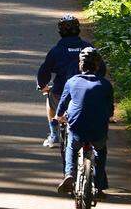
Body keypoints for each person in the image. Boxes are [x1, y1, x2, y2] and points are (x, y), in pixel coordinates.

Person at [55, 47, 113, 198]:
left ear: (80, 65)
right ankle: (99, 187)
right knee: (101, 152)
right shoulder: (106, 85)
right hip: (98, 129)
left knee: (71, 147)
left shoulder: (72, 81)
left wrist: (58, 117)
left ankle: (69, 174)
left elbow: (61, 106)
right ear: (97, 66)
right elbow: (110, 110)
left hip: (77, 127)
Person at [36, 15, 93, 147]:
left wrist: (42, 85)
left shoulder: (56, 51)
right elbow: (100, 69)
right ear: (78, 30)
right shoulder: (87, 47)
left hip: (61, 91)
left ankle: (54, 135)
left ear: (60, 32)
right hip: (87, 91)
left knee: (50, 99)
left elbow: (44, 71)